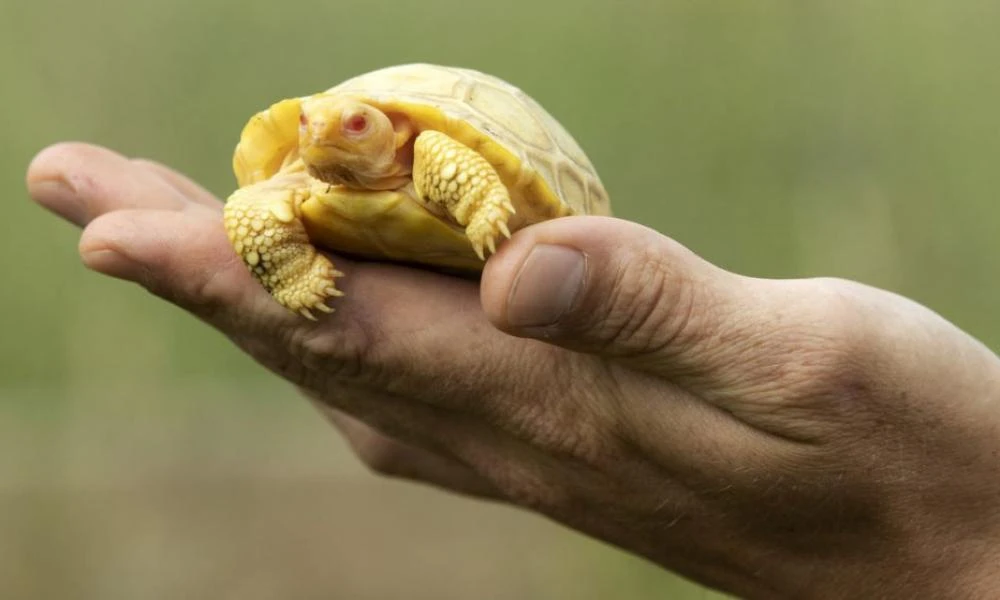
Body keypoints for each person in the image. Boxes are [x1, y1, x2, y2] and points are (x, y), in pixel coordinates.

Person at [27, 142, 1000, 599]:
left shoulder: (439, 160)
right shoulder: (306, 176)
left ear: (393, 137)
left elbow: (454, 169)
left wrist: (967, 536)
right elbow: (253, 213)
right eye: (324, 125)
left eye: (360, 125)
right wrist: (284, 260)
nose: (335, 134)